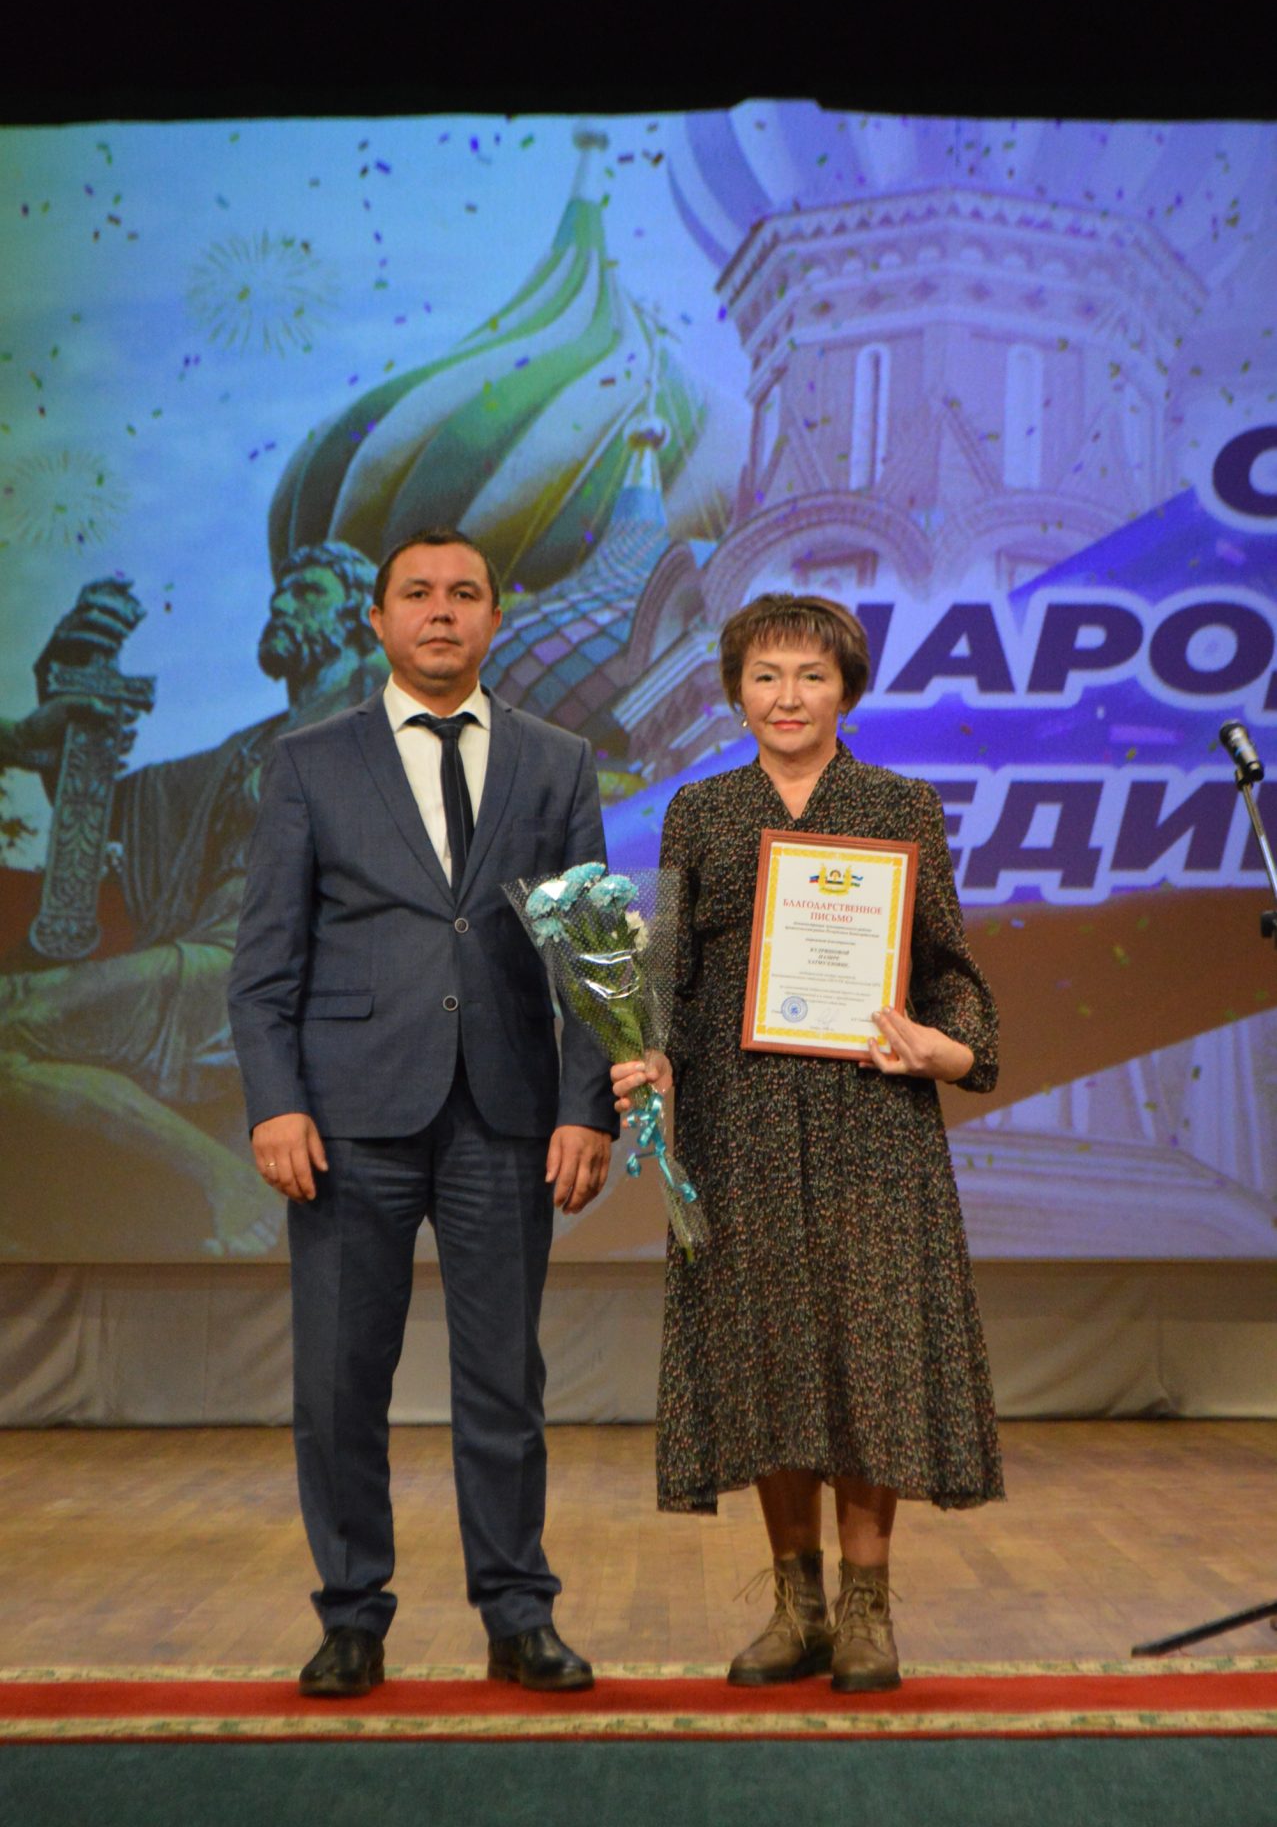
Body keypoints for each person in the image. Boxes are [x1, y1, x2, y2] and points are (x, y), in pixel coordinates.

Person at [227, 527, 614, 1698]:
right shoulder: (309, 761)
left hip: (507, 1116)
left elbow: (591, 957)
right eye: (416, 594)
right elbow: (262, 966)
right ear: (379, 619)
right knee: (339, 1384)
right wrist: (275, 1104)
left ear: (496, 617)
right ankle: (351, 1618)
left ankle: (517, 1616)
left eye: (463, 594)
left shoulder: (557, 762)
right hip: (347, 1123)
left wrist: (586, 1106)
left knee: (503, 1382)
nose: (440, 612)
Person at [611, 591, 1002, 1695]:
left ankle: (868, 1609)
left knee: (867, 1354)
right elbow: (669, 970)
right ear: (736, 693)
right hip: (735, 1121)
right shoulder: (699, 809)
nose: (788, 697)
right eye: (766, 676)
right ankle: (798, 1607)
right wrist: (647, 1050)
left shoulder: (898, 805)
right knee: (765, 1355)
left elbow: (946, 968)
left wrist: (947, 1048)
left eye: (811, 676)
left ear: (846, 692)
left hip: (871, 1119)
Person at [0, 542, 386, 1257]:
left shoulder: (385, 714)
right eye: (280, 589)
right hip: (215, 952)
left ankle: (232, 1184)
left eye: (307, 590)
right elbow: (110, 810)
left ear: (360, 619)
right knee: (9, 1023)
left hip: (285, 963)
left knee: (13, 1026)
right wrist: (72, 703)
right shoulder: (247, 748)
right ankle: (228, 1177)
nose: (281, 602)